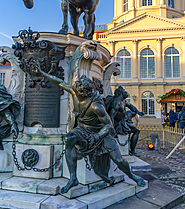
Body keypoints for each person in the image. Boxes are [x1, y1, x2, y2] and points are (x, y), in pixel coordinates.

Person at [32, 63, 145, 193]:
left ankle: (133, 176)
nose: (75, 93)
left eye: (79, 93)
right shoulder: (74, 91)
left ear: (85, 93)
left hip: (100, 132)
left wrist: (97, 136)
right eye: (75, 90)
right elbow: (59, 82)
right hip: (83, 129)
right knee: (69, 139)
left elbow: (109, 125)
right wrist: (42, 73)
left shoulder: (96, 106)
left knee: (119, 160)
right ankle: (73, 178)